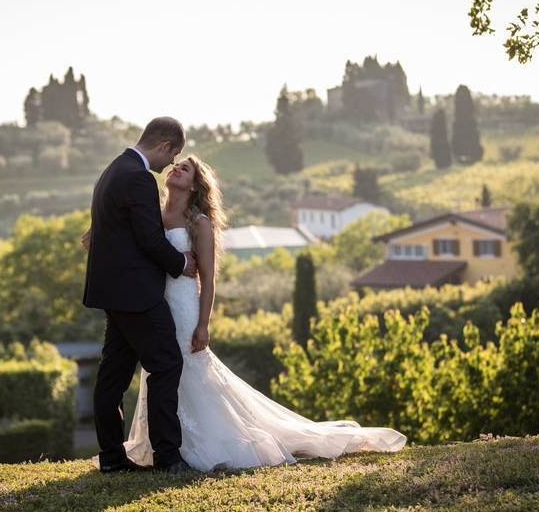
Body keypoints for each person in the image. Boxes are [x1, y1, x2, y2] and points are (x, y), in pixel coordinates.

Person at [115, 153, 407, 472]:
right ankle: (166, 445)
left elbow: (209, 279)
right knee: (161, 370)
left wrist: (203, 325)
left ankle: (201, 443)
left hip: (184, 307)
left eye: (184, 169)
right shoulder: (154, 216)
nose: (175, 170)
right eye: (175, 166)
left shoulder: (198, 223)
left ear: (195, 185)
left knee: (189, 370)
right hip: (157, 306)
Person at [82, 116, 197, 474]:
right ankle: (168, 457)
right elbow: (149, 239)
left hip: (114, 292)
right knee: (166, 364)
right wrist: (181, 263)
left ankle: (113, 459)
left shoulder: (114, 169)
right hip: (136, 294)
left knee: (113, 376)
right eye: (172, 154)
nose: (168, 165)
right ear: (164, 146)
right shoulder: (138, 177)